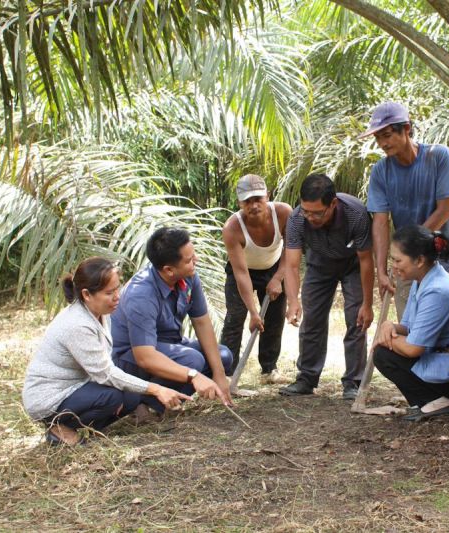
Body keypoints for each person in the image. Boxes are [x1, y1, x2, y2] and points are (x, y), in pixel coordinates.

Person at [23, 257, 186, 446]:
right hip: (49, 398)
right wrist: (157, 389)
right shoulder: (77, 325)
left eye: (117, 288)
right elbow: (106, 374)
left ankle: (88, 426)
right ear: (86, 294)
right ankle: (58, 427)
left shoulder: (100, 312)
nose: (117, 296)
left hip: (78, 387)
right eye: (109, 292)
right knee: (112, 397)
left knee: (130, 396)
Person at [361, 101, 449, 318]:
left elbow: (444, 210)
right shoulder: (381, 172)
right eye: (378, 138)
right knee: (410, 330)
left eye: (387, 135)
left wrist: (409, 246)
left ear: (407, 129)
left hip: (448, 261)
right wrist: (381, 271)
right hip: (408, 269)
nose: (382, 143)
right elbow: (381, 223)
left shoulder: (439, 156)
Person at [111, 227, 234, 410]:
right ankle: (142, 401)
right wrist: (193, 375)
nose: (196, 260)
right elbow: (145, 357)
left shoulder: (189, 276)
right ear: (169, 270)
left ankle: (165, 400)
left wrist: (219, 374)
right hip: (130, 357)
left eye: (194, 255)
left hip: (168, 344)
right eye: (189, 260)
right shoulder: (141, 294)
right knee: (193, 361)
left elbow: (201, 322)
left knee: (223, 356)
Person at [279, 173, 374, 400]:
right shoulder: (297, 218)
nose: (310, 217)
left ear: (333, 204)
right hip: (319, 264)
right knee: (312, 319)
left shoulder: (356, 213)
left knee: (356, 318)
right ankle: (306, 378)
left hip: (352, 265)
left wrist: (368, 304)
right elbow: (292, 265)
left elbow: (366, 261)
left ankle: (353, 381)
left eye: (317, 213)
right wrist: (293, 301)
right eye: (306, 211)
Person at [374, 225, 449, 422]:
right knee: (384, 350)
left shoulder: (437, 290)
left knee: (383, 354)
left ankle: (436, 402)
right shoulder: (422, 279)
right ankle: (432, 401)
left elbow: (414, 348)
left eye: (397, 260)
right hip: (440, 360)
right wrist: (389, 326)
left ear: (419, 260)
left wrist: (387, 339)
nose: (393, 266)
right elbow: (408, 327)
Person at [219, 174, 292, 384]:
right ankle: (226, 373)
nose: (253, 205)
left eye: (258, 199)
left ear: (267, 196)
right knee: (235, 318)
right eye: (247, 201)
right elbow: (241, 272)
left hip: (275, 267)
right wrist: (253, 312)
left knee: (275, 318)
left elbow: (292, 249)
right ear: (239, 203)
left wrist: (278, 278)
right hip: (243, 271)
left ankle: (269, 370)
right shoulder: (232, 228)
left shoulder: (284, 213)